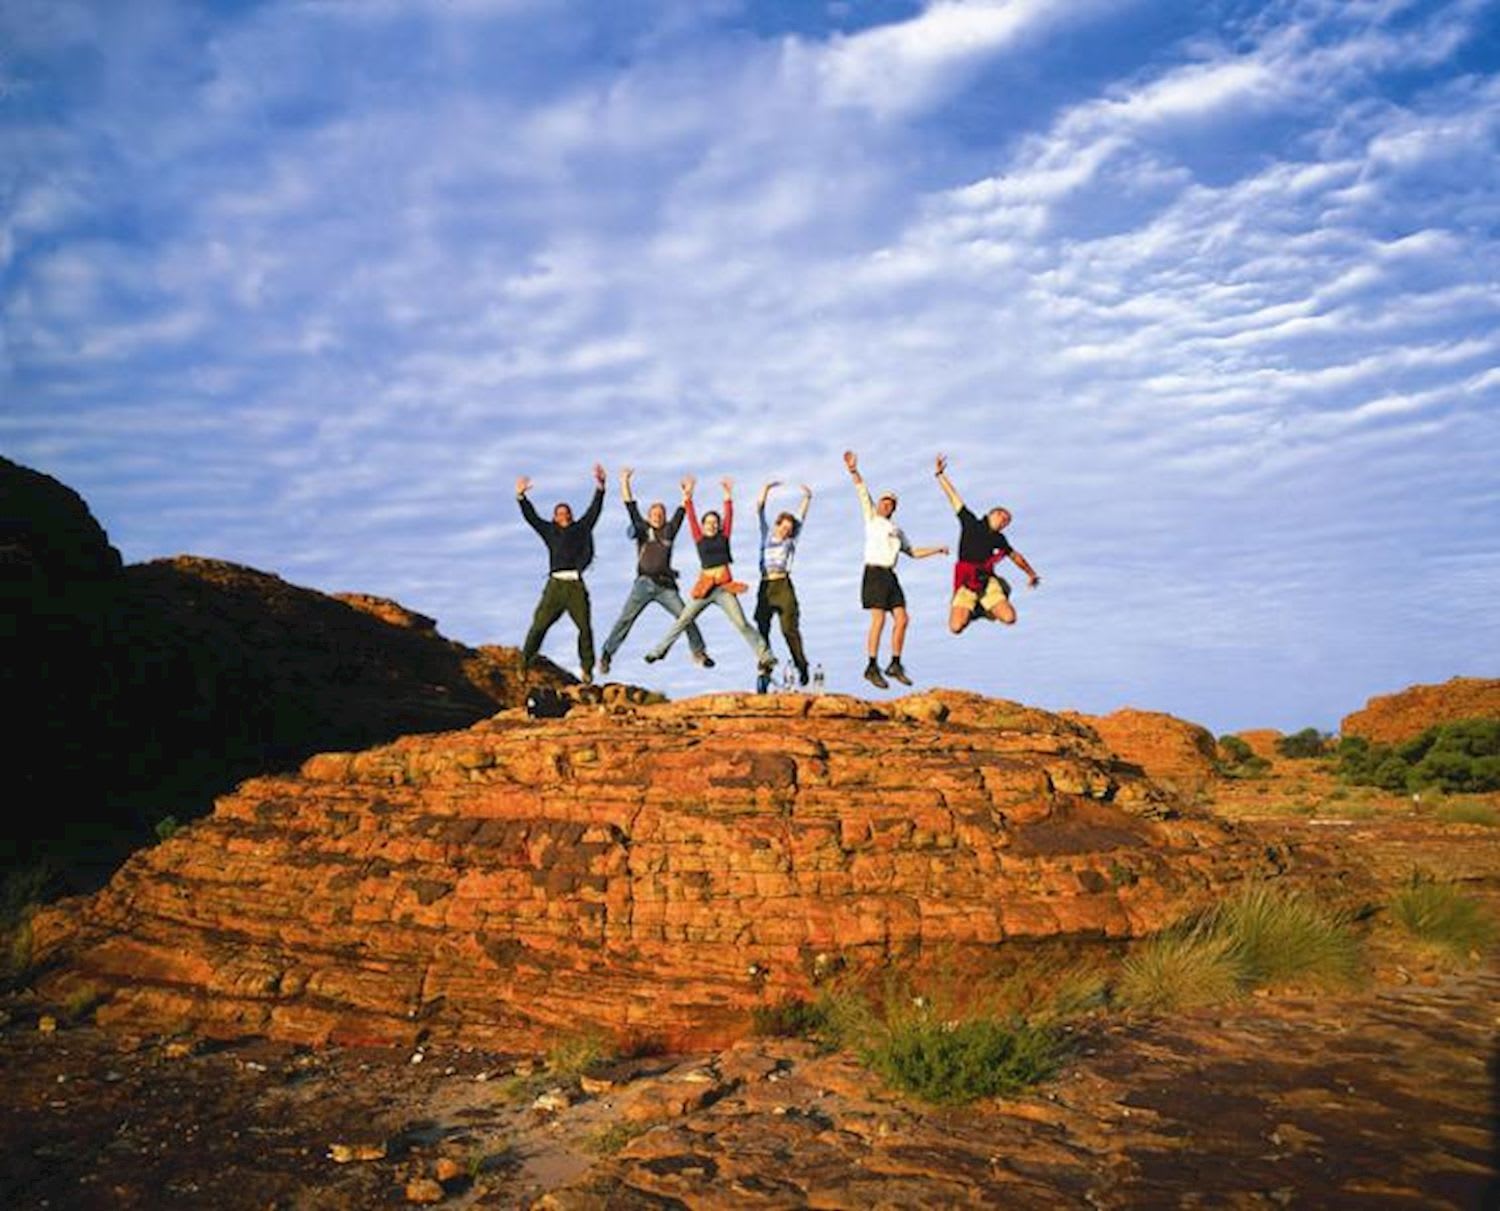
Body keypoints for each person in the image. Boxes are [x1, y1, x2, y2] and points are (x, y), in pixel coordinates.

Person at [644, 475, 775, 675]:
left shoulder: (724, 536)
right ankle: (658, 651)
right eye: (708, 523)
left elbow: (729, 516)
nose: (711, 525)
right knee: (683, 619)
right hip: (705, 587)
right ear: (703, 525)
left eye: (715, 523)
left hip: (724, 589)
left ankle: (765, 656)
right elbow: (691, 516)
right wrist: (687, 496)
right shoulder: (698, 537)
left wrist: (727, 495)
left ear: (719, 525)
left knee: (741, 623)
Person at [843, 450, 947, 689]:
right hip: (874, 573)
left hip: (890, 575)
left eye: (890, 504)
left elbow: (913, 552)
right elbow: (861, 491)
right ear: (879, 504)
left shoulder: (897, 530)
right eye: (883, 501)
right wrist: (853, 470)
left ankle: (895, 664)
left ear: (893, 509)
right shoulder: (872, 518)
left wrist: (937, 549)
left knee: (902, 618)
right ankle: (871, 666)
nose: (886, 505)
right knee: (878, 619)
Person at [597, 467, 714, 676]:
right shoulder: (643, 529)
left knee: (686, 616)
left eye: (661, 514)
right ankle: (606, 654)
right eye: (654, 514)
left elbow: (682, 509)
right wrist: (624, 481)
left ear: (664, 517)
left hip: (665, 587)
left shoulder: (669, 530)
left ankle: (699, 653)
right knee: (625, 619)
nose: (657, 517)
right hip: (643, 584)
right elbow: (629, 504)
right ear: (649, 516)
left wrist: (688, 492)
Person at [516, 464, 605, 683]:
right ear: (555, 517)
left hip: (575, 585)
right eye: (560, 513)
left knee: (585, 629)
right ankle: (524, 663)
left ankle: (586, 670)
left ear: (571, 516)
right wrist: (521, 497)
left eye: (566, 513)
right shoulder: (549, 531)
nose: (563, 515)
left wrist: (600, 487)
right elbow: (532, 518)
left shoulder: (580, 528)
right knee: (539, 625)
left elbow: (594, 511)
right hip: (555, 585)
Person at [934, 454, 1040, 633]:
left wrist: (1031, 574)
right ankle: (976, 608)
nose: (1004, 522)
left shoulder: (999, 539)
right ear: (991, 514)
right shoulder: (970, 522)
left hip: (986, 582)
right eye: (1002, 517)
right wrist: (940, 475)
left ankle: (987, 604)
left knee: (1009, 618)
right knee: (955, 627)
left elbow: (1016, 557)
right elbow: (954, 497)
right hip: (966, 582)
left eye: (1007, 522)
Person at [753, 481, 813, 693]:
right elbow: (760, 509)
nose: (787, 531)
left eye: (789, 529)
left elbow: (801, 518)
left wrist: (807, 498)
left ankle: (801, 665)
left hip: (783, 584)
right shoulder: (766, 534)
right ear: (777, 525)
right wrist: (766, 489)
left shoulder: (791, 541)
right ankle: (765, 669)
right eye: (784, 527)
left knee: (789, 628)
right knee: (762, 626)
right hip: (765, 584)